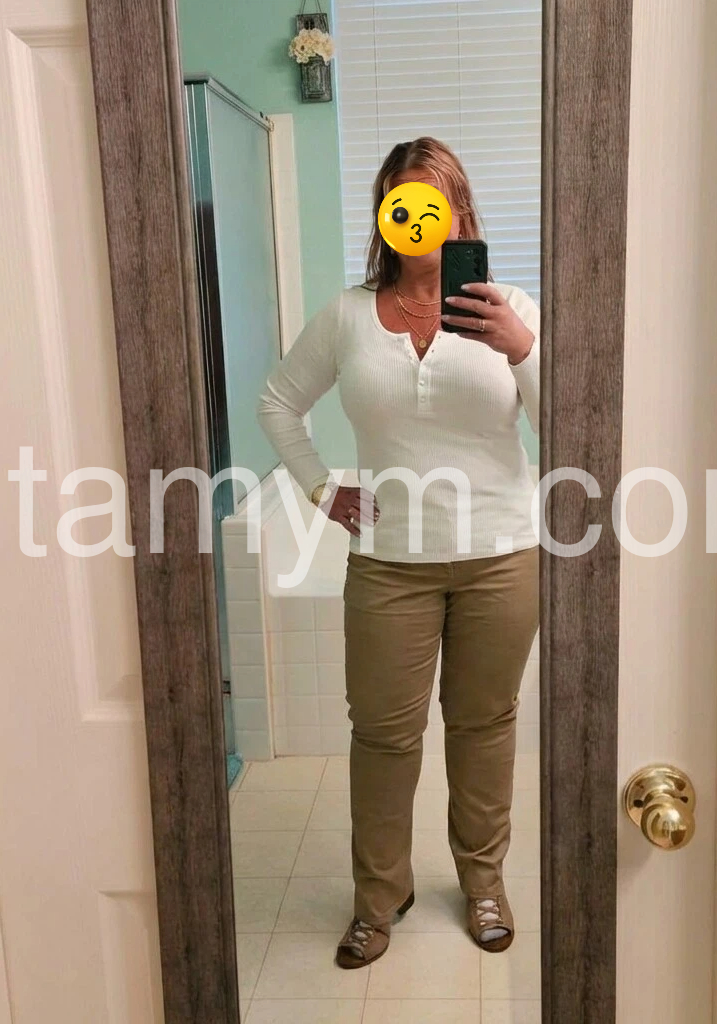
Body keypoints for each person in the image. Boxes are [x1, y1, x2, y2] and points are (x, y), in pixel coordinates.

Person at [257, 136, 540, 968]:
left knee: (483, 727)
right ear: (386, 214)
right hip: (388, 563)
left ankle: (482, 882)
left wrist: (522, 347)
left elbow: (572, 420)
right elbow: (278, 403)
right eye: (402, 202)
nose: (419, 218)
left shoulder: (509, 306)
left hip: (501, 555)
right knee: (383, 736)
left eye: (434, 202)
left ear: (460, 209)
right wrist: (321, 489)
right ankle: (379, 898)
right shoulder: (348, 316)